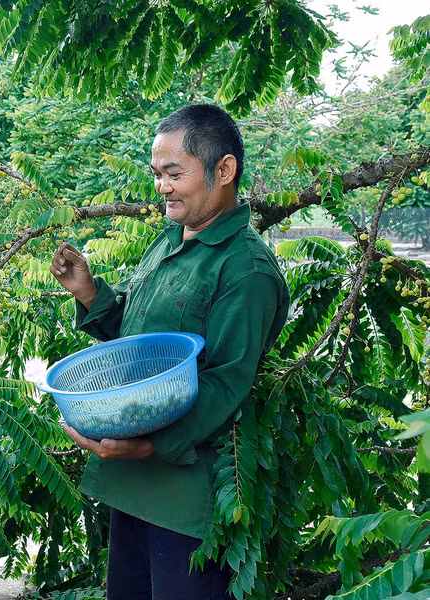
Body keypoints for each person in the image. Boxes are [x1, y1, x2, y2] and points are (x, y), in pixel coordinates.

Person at [50, 104, 290, 599]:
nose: (162, 187)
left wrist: (150, 444)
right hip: (133, 486)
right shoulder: (168, 242)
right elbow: (139, 346)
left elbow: (226, 382)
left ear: (224, 170)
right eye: (157, 174)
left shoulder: (246, 270)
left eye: (174, 174)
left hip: (186, 500)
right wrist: (88, 292)